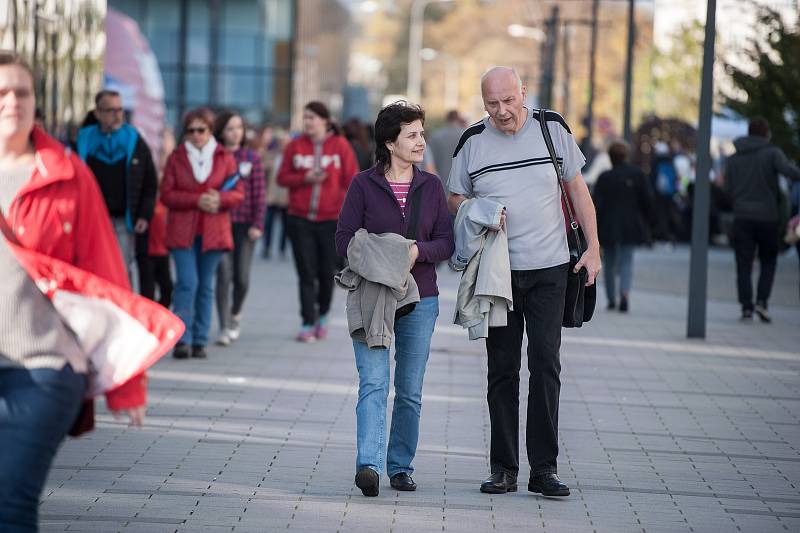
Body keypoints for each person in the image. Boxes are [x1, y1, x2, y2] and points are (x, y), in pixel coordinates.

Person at [0, 51, 149, 529]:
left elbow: (107, 275)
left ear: (35, 101)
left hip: (44, 366)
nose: (11, 102)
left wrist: (126, 384)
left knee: (11, 501)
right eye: (1, 93)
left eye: (21, 92)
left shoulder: (66, 174)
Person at [447, 67, 601, 497]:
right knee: (502, 370)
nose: (501, 112)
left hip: (551, 268)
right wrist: (478, 209)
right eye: (492, 104)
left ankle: (544, 470)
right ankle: (503, 468)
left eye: (508, 101)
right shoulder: (472, 141)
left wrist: (594, 249)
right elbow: (454, 196)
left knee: (546, 365)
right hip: (497, 273)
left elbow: (577, 189)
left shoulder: (552, 128)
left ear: (523, 94)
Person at [336, 101, 454, 497]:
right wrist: (386, 251)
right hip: (372, 298)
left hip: (421, 300)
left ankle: (400, 465)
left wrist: (417, 252)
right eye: (413, 135)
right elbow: (343, 240)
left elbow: (446, 243)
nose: (421, 141)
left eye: (421, 133)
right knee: (373, 381)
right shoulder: (363, 185)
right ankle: (368, 464)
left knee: (409, 390)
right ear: (390, 142)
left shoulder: (432, 186)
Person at [161, 107, 244, 359]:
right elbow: (166, 194)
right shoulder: (176, 158)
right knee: (187, 283)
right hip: (182, 232)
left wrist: (220, 198)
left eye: (201, 130)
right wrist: (197, 200)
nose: (196, 135)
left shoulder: (224, 158)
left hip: (214, 232)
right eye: (191, 130)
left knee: (206, 286)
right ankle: (181, 339)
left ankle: (199, 340)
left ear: (210, 131)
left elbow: (238, 192)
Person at [277, 101, 359, 342]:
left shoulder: (340, 146)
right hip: (299, 219)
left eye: (313, 117)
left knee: (326, 273)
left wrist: (344, 209)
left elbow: (352, 182)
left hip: (330, 221)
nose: (308, 122)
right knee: (305, 273)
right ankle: (306, 321)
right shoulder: (295, 145)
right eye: (306, 118)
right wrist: (305, 177)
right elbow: (282, 177)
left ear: (325, 120)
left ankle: (322, 315)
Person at [723, 117, 800, 322]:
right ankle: (762, 301)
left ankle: (746, 306)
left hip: (742, 216)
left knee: (743, 262)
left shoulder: (733, 159)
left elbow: (727, 188)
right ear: (766, 133)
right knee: (768, 261)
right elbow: (790, 172)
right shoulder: (772, 153)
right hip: (767, 216)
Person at [76, 89, 158, 273]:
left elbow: (150, 182)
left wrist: (144, 214)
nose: (117, 115)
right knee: (92, 268)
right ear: (97, 113)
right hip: (92, 218)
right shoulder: (83, 139)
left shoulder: (134, 139)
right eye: (111, 110)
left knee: (120, 269)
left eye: (120, 109)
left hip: (123, 219)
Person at [212, 111, 266, 346]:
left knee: (241, 278)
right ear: (221, 132)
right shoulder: (214, 155)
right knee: (223, 276)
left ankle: (235, 314)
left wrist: (258, 223)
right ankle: (224, 325)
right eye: (230, 128)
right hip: (220, 223)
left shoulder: (250, 157)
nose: (235, 132)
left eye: (239, 128)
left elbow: (259, 193)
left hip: (245, 226)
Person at [593, 141, 655, 312]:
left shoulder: (604, 177)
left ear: (611, 157)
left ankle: (612, 298)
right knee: (627, 261)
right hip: (631, 224)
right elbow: (648, 201)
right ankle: (625, 294)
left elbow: (596, 204)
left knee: (610, 262)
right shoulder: (638, 174)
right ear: (626, 156)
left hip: (608, 225)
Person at [262, 129, 290, 259]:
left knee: (285, 225)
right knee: (268, 223)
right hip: (271, 196)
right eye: (280, 142)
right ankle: (266, 247)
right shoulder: (270, 155)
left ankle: (282, 248)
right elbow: (263, 170)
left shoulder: (291, 158)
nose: (282, 144)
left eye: (285, 142)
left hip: (286, 197)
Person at [427, 110, 465, 190]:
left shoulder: (435, 135)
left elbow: (429, 159)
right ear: (458, 119)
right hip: (461, 181)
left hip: (440, 178)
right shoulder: (465, 135)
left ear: (447, 119)